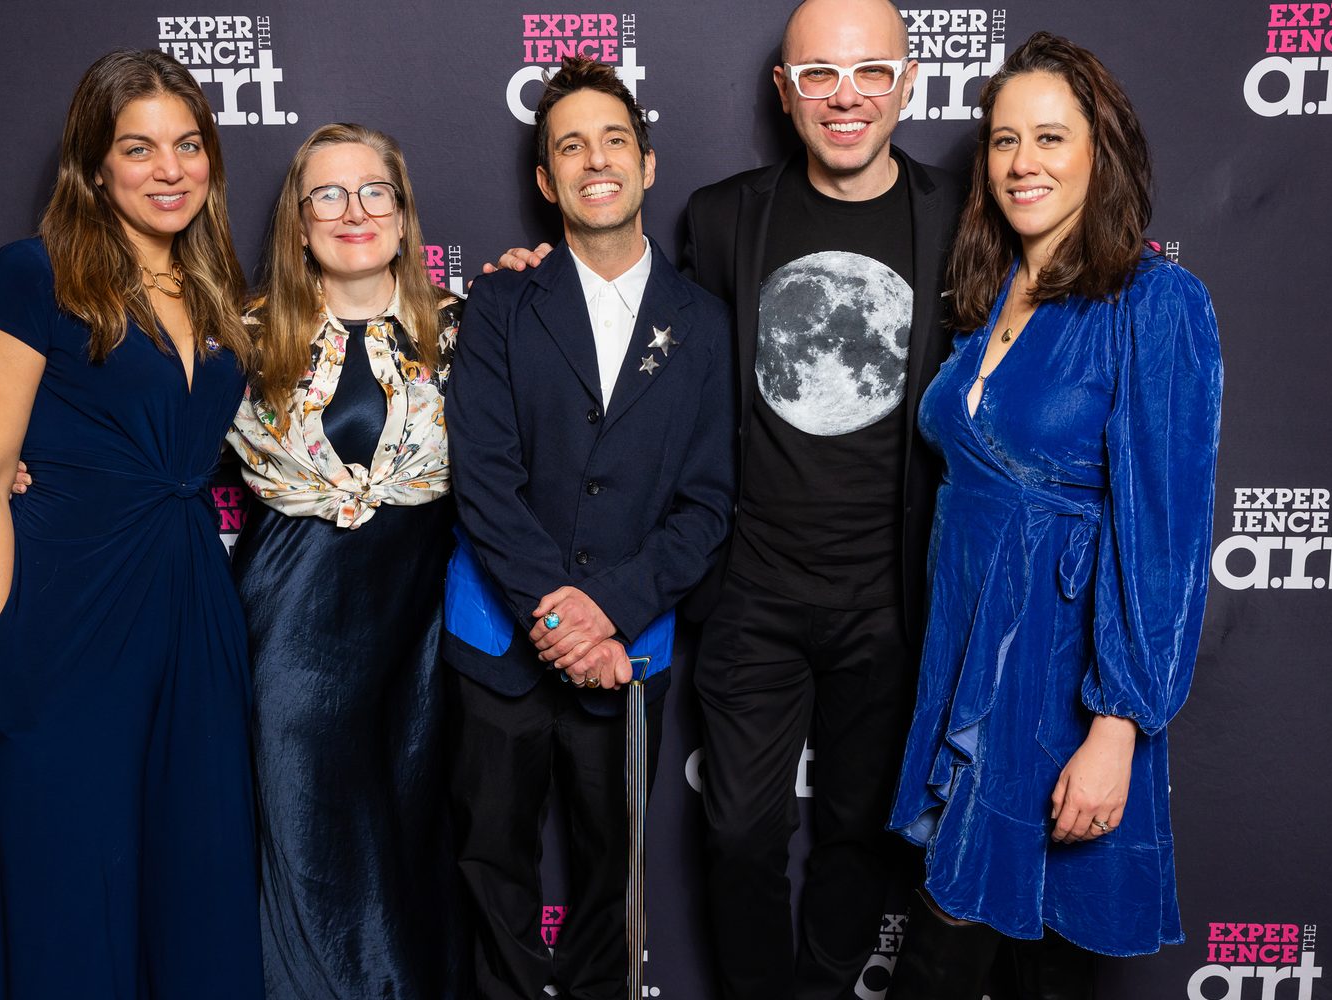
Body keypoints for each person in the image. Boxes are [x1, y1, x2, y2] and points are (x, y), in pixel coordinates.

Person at [488, 4, 958, 994]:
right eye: (819, 75)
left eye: (870, 71)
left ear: (907, 84)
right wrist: (532, 281)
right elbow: (639, 321)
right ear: (783, 92)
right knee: (739, 831)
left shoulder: (959, 219)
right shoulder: (720, 216)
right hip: (749, 592)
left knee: (857, 834)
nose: (845, 96)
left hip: (892, 598)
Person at [884, 31, 1223, 999]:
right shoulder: (991, 294)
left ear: (1099, 151)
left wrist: (1117, 726)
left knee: (998, 964)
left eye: (1049, 138)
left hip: (1058, 686)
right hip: (967, 668)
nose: (1020, 162)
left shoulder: (1155, 303)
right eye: (1002, 140)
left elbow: (1162, 538)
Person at [0, 49, 263, 999]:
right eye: (138, 148)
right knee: (67, 892)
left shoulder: (219, 296)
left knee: (193, 884)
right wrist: (0, 653)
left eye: (189, 144)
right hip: (67, 616)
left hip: (192, 610)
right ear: (93, 166)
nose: (170, 169)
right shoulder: (30, 274)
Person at [444, 56, 736, 1000]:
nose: (595, 159)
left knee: (617, 876)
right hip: (498, 637)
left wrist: (608, 610)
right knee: (491, 866)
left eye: (614, 141)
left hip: (631, 648)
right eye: (570, 145)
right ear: (546, 181)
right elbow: (483, 479)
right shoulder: (496, 303)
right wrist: (559, 617)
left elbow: (708, 503)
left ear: (648, 165)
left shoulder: (708, 323)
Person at [224, 123, 467, 999]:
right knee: (306, 853)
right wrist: (28, 463)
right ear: (297, 223)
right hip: (289, 642)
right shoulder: (244, 340)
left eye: (375, 192)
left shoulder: (471, 329)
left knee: (405, 851)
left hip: (421, 649)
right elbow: (146, 446)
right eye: (326, 194)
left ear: (404, 218)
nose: (352, 211)